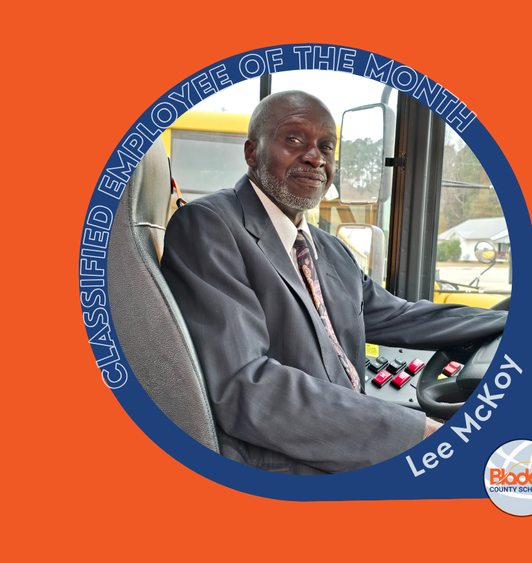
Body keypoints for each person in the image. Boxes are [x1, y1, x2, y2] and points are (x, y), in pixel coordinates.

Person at [160, 90, 506, 474]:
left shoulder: (329, 249)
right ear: (251, 152)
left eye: (326, 146)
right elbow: (246, 385)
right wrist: (414, 433)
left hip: (343, 436)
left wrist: (511, 319)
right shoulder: (210, 226)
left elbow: (404, 317)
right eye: (294, 139)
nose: (315, 157)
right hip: (278, 462)